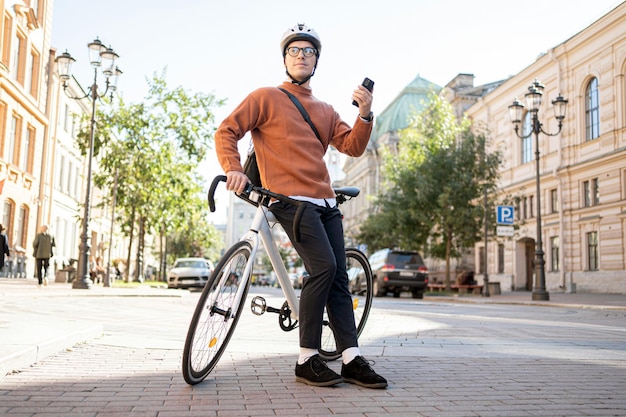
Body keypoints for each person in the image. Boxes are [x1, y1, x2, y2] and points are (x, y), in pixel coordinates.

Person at [215, 23, 386, 389]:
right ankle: (307, 358)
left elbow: (353, 146)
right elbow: (227, 130)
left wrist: (366, 113)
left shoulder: (323, 110)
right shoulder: (265, 97)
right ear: (284, 58)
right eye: (295, 51)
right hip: (290, 200)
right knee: (323, 267)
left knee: (339, 277)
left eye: (309, 51)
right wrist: (232, 169)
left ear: (316, 61)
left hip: (326, 202)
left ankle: (351, 358)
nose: (302, 56)